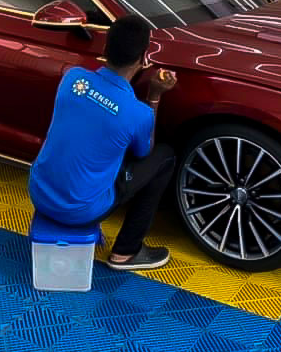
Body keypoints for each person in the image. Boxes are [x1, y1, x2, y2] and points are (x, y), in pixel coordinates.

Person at [28, 15, 178, 271]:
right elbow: (144, 152)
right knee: (164, 156)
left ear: (105, 49)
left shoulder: (73, 79)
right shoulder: (138, 113)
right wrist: (154, 95)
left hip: (39, 194)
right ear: (144, 58)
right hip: (82, 211)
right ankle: (126, 252)